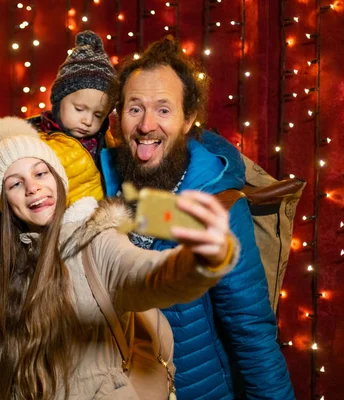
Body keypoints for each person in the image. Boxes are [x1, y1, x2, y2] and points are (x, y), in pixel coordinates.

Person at [0, 116, 240, 399]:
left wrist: (194, 262)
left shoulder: (94, 238)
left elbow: (140, 272)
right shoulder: (7, 266)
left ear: (58, 179)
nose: (32, 187)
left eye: (40, 173)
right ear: (3, 201)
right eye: (15, 184)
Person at [101, 36, 295, 399]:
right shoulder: (102, 185)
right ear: (117, 117)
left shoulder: (215, 205)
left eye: (163, 109)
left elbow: (250, 330)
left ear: (188, 118)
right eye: (134, 108)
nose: (146, 125)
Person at [28, 30, 119, 204]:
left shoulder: (106, 141)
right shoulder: (35, 139)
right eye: (79, 109)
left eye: (98, 114)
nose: (88, 121)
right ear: (59, 101)